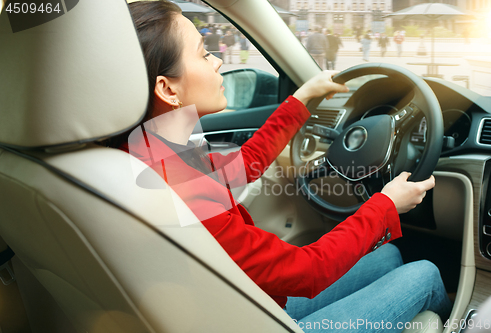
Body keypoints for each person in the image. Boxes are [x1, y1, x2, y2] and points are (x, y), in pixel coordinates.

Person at [115, 2, 452, 331]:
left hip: (243, 305)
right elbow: (308, 270)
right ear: (167, 88)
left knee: (388, 256)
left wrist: (300, 101)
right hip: (253, 319)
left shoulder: (149, 153)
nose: (218, 61)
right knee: (425, 274)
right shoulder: (178, 187)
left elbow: (242, 166)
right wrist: (386, 204)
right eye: (204, 53)